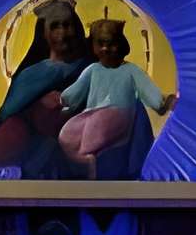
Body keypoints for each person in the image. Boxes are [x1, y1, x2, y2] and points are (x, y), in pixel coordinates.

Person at [0, 0, 89, 176]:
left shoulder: (92, 64)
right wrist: (40, 105)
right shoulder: (31, 73)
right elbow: (9, 114)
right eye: (55, 26)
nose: (62, 32)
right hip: (41, 144)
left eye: (67, 25)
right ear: (44, 33)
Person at [53, 17, 173, 179]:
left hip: (119, 115)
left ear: (122, 45)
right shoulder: (93, 69)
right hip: (92, 115)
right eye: (101, 44)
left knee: (99, 123)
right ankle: (86, 160)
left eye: (111, 44)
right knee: (66, 134)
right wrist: (63, 99)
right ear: (94, 47)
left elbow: (149, 91)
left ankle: (88, 152)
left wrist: (162, 103)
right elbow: (76, 90)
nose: (106, 49)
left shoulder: (130, 70)